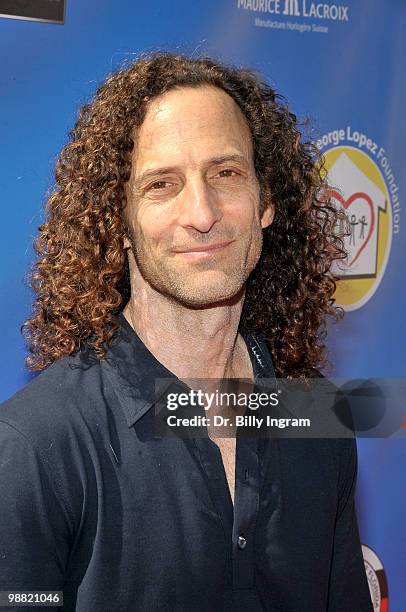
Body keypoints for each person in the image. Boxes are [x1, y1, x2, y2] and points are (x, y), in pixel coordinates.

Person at [0, 51, 373, 611]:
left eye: (226, 173)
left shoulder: (319, 418)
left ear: (265, 200)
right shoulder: (37, 444)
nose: (201, 212)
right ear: (118, 220)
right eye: (161, 184)